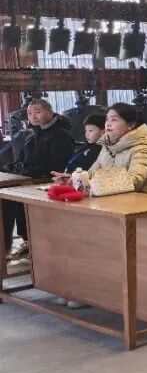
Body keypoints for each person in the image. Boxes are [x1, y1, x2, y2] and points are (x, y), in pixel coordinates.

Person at [6, 99, 75, 256]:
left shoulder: (61, 134)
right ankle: (11, 242)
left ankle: (30, 240)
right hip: (28, 178)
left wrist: (28, 172)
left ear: (50, 113)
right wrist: (15, 168)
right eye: (29, 113)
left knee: (17, 194)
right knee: (7, 195)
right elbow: (22, 159)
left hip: (46, 180)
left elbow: (57, 165)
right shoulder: (32, 134)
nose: (33, 116)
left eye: (38, 112)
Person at [55, 102, 147, 195]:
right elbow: (92, 173)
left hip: (145, 199)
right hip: (115, 198)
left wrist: (97, 184)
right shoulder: (107, 145)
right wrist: (75, 179)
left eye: (114, 120)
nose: (108, 124)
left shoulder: (141, 148)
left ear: (131, 125)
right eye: (107, 119)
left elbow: (135, 181)